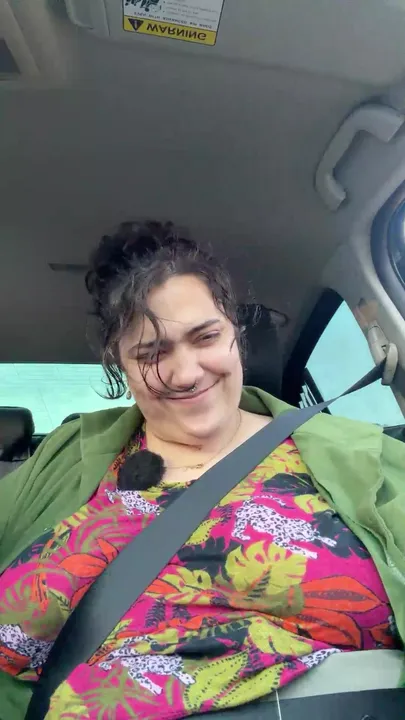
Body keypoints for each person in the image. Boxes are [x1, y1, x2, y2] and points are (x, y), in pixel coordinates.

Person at [0, 221, 404, 720]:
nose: (187, 373)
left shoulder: (357, 456)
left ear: (236, 333)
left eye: (206, 336)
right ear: (119, 365)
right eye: (151, 354)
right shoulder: (68, 457)